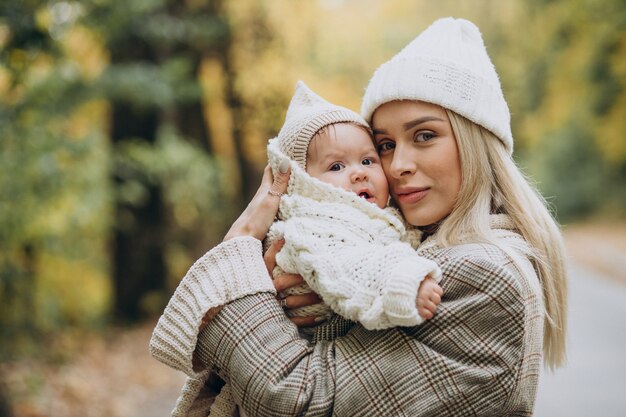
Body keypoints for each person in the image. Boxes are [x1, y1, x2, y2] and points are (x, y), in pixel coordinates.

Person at [150, 17, 568, 416]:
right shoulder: (404, 246)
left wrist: (239, 261)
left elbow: (301, 401)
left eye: (425, 135)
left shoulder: (480, 274)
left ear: (477, 143)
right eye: (384, 144)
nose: (397, 164)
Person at [208, 79, 443, 416]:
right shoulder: (313, 225)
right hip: (294, 355)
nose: (359, 174)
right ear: (304, 182)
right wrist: (403, 284)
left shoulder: (378, 219)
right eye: (336, 166)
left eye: (368, 160)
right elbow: (350, 264)